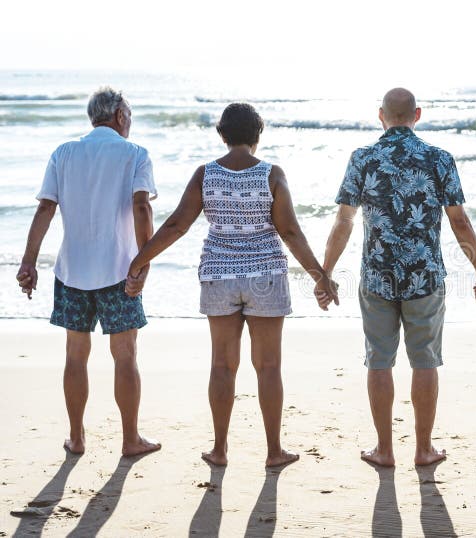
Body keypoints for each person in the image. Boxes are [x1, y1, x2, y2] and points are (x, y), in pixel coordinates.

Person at [125, 103, 338, 467]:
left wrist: (139, 260)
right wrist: (320, 276)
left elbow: (177, 225)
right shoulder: (271, 174)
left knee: (222, 366)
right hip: (265, 276)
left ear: (222, 134)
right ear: (258, 134)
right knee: (268, 366)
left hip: (219, 275)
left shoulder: (205, 174)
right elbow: (289, 231)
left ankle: (220, 449)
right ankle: (273, 451)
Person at [321, 88, 476, 467]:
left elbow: (344, 220)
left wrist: (326, 273)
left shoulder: (362, 158)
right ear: (417, 114)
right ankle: (423, 449)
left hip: (378, 276)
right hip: (425, 277)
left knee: (379, 361)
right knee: (425, 361)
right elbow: (459, 221)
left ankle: (384, 450)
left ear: (380, 115)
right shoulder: (439, 159)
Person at [16, 87, 161, 457]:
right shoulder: (135, 154)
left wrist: (29, 261)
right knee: (125, 354)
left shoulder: (63, 153)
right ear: (119, 116)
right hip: (119, 271)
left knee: (75, 355)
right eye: (129, 114)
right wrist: (143, 262)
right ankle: (130, 439)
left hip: (72, 272)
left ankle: (77, 438)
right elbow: (142, 207)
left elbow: (45, 210)